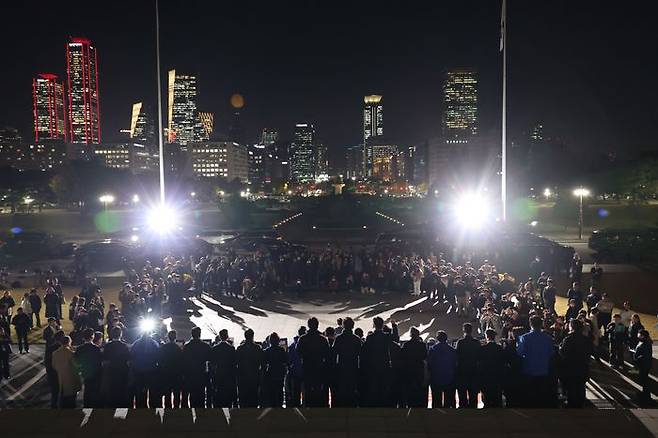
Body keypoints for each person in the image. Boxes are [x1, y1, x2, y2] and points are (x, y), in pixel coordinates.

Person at [516, 315, 555, 407]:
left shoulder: (524, 338)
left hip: (529, 370)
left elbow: (520, 353)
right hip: (543, 369)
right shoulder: (548, 338)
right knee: (541, 395)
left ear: (530, 324)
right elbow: (551, 353)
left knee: (530, 396)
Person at [298, 317, 331, 407]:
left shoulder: (303, 339)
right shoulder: (323, 339)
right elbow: (327, 354)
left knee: (307, 389)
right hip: (319, 368)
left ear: (308, 325)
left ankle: (308, 406)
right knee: (318, 389)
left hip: (307, 367)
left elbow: (299, 352)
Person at [361, 317, 393, 407]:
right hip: (384, 366)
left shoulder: (370, 338)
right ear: (382, 325)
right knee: (383, 390)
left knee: (374, 390)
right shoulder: (386, 337)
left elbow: (365, 352)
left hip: (373, 367)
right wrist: (393, 326)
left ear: (374, 325)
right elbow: (395, 338)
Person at [559, 319, 590, 408]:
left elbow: (563, 352)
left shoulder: (568, 339)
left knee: (571, 388)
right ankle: (580, 403)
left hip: (571, 367)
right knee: (580, 386)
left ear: (572, 327)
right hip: (583, 367)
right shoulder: (586, 339)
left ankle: (572, 404)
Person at [331, 317, 361, 407]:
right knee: (352, 390)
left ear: (343, 326)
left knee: (342, 390)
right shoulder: (356, 339)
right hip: (353, 367)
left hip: (341, 367)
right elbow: (360, 353)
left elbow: (333, 353)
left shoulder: (339, 338)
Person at [182, 326, 211, 408]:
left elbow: (184, 360)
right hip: (201, 373)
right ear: (200, 335)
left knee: (192, 394)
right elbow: (209, 358)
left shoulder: (187, 346)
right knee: (200, 394)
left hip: (190, 374)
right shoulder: (205, 346)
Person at [131, 329, 161, 407]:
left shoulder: (136, 343)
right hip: (151, 369)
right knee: (151, 390)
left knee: (140, 389)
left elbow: (132, 355)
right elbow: (158, 356)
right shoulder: (154, 343)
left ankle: (140, 405)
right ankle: (152, 406)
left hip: (139, 369)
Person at [102, 326, 131, 407]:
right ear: (120, 334)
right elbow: (128, 359)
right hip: (122, 370)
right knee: (122, 389)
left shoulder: (108, 346)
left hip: (111, 370)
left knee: (112, 388)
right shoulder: (124, 346)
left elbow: (104, 359)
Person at [428, 330, 457, 408]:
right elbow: (455, 364)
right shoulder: (452, 350)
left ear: (437, 338)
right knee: (448, 401)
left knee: (436, 401)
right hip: (449, 378)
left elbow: (430, 364)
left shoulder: (433, 349)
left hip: (436, 378)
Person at [74, 328, 103, 407]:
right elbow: (100, 361)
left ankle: (87, 405)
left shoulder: (79, 348)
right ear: (92, 337)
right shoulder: (96, 349)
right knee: (95, 390)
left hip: (85, 372)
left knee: (87, 389)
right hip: (96, 373)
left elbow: (76, 361)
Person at [236, 328, 264, 407]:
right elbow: (262, 362)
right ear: (252, 336)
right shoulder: (257, 348)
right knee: (253, 398)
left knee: (243, 399)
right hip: (254, 376)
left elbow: (237, 362)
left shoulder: (240, 348)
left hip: (243, 377)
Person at [51, 335, 82, 408]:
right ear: (69, 342)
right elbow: (77, 366)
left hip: (61, 379)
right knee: (71, 402)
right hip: (71, 380)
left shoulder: (55, 353)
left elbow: (54, 366)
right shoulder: (71, 353)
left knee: (63, 401)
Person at [455, 322, 480, 408]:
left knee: (462, 395)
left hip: (462, 371)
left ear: (463, 330)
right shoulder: (476, 342)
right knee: (473, 394)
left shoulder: (460, 342)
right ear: (471, 330)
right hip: (473, 370)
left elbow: (457, 356)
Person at [401, 326, 428, 407]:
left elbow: (402, 356)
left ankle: (410, 405)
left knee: (409, 390)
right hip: (418, 369)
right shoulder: (422, 345)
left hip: (409, 370)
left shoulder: (406, 345)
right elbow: (424, 356)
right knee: (419, 389)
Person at [478, 329, 505, 408]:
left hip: (486, 377)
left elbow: (480, 364)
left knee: (487, 400)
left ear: (487, 337)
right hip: (497, 377)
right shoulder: (499, 348)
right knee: (497, 400)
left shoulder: (483, 349)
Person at [159, 330, 184, 408]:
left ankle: (168, 408)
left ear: (168, 337)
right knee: (176, 393)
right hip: (176, 374)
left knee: (167, 393)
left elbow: (160, 360)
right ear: (175, 337)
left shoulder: (164, 347)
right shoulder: (178, 348)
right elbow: (181, 361)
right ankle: (176, 408)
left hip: (166, 373)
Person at [262, 332, 287, 407]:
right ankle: (279, 405)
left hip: (271, 373)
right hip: (279, 373)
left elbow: (264, 363)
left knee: (271, 392)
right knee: (280, 391)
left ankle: (272, 406)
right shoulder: (281, 350)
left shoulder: (267, 351)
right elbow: (285, 361)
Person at [286, 326, 306, 407]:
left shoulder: (292, 346)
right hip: (304, 372)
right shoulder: (306, 344)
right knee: (305, 394)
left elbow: (289, 360)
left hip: (295, 373)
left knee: (296, 394)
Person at [632, 329, 653, 406]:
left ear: (643, 336)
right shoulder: (644, 342)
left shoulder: (645, 344)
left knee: (644, 380)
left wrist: (637, 358)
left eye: (639, 334)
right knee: (643, 379)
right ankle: (644, 393)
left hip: (644, 365)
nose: (638, 335)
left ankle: (647, 397)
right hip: (643, 364)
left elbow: (644, 355)